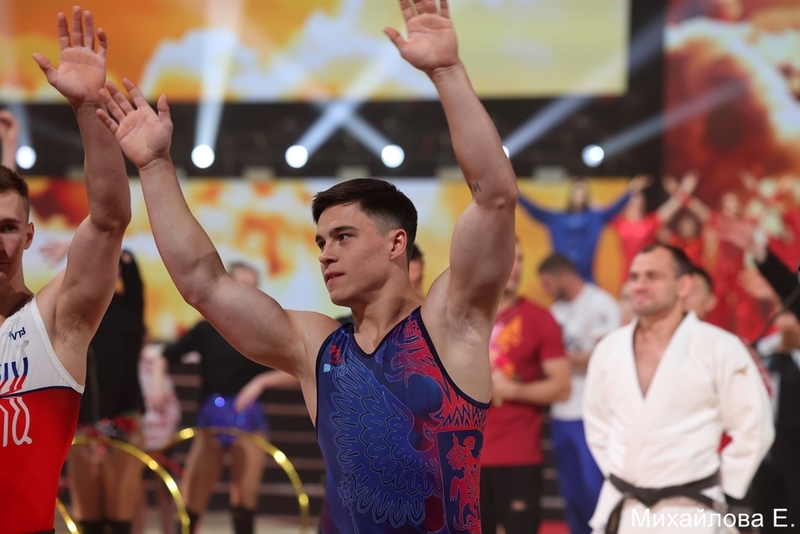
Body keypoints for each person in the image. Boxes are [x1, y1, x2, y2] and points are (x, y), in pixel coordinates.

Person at [96, 0, 518, 531]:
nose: (325, 253)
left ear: (396, 244)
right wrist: (155, 166)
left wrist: (447, 72)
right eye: (320, 241)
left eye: (343, 237)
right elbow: (203, 284)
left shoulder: (451, 324)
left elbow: (494, 199)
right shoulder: (317, 347)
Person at [0, 7, 131, 534]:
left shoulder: (54, 323)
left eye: (8, 227)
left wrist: (88, 109)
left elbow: (108, 221)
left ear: (29, 236)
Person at [583, 244, 774, 534]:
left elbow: (754, 427)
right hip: (625, 503)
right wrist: (622, 471)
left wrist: (723, 484)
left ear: (683, 285)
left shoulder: (720, 347)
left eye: (652, 276)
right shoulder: (609, 349)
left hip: (692, 508)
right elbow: (597, 424)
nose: (639, 285)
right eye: (634, 277)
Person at [151, 262, 277, 534]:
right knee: (193, 495)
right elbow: (166, 356)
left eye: (253, 287)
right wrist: (157, 386)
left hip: (248, 417)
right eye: (242, 285)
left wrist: (260, 383)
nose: (247, 293)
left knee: (244, 499)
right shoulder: (207, 329)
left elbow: (291, 368)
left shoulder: (263, 330)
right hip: (211, 417)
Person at [480, 241, 570, 534]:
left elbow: (561, 387)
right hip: (464, 455)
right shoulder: (460, 317)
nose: (516, 266)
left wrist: (514, 391)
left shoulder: (541, 319)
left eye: (520, 259)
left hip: (518, 455)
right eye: (508, 257)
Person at [536, 253, 621, 534]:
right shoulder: (557, 310)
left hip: (591, 410)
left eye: (548, 284)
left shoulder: (600, 304)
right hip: (562, 409)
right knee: (570, 492)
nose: (546, 291)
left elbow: (603, 355)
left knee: (594, 487)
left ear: (563, 276)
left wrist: (556, 359)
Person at [67, 250, 147, 534]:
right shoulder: (76, 311)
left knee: (118, 517)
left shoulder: (129, 307)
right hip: (82, 422)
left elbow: (133, 274)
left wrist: (111, 248)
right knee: (89, 520)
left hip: (123, 419)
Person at [519, 175, 647, 282]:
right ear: (571, 195)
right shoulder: (557, 218)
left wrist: (631, 190)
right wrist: (516, 192)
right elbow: (534, 210)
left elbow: (614, 208)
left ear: (587, 196)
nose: (579, 196)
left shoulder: (595, 217)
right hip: (562, 280)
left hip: (586, 279)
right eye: (576, 193)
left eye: (582, 193)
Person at [610, 173, 697, 284]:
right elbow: (608, 210)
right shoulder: (620, 223)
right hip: (628, 273)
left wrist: (685, 188)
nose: (637, 203)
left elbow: (672, 206)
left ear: (644, 203)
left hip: (648, 271)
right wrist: (632, 188)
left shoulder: (651, 222)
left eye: (640, 199)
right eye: (633, 200)